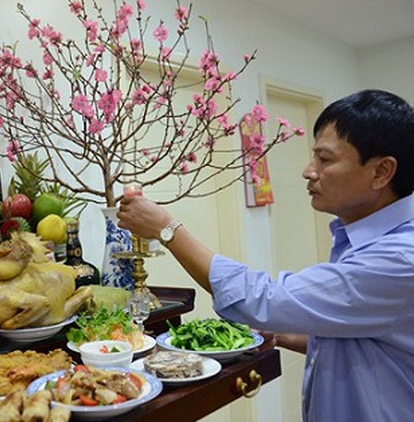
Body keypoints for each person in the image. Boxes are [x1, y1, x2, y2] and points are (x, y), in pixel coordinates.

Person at [117, 89, 414, 422]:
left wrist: (168, 230)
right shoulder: (361, 240)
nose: (309, 171)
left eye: (325, 160)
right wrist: (281, 333)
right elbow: (362, 336)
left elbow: (265, 298)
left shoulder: (400, 259)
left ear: (381, 172)